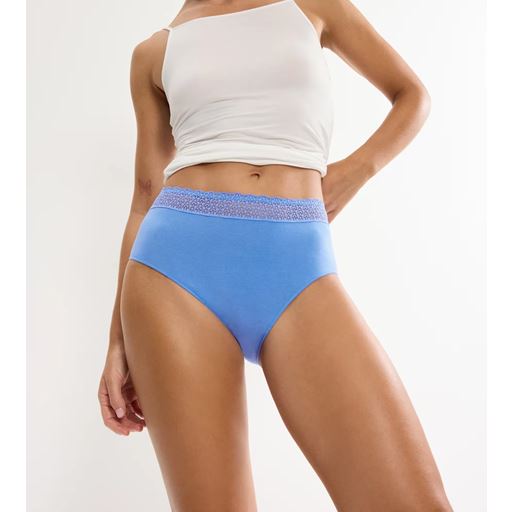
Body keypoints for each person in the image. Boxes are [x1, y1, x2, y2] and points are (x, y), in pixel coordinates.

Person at [98, 1, 453, 510]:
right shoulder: (154, 52)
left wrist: (353, 172)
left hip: (297, 266)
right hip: (174, 271)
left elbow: (412, 95)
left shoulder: (311, 6)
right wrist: (117, 341)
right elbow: (144, 195)